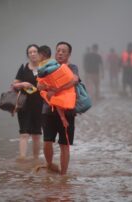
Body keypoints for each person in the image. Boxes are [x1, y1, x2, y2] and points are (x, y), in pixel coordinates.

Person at [38, 41, 79, 175]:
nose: (60, 53)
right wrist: (42, 87)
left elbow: (74, 80)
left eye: (64, 51)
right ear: (55, 52)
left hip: (68, 111)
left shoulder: (72, 67)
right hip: (48, 109)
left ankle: (63, 176)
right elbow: (39, 86)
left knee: (64, 144)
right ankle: (49, 164)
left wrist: (56, 90)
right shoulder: (47, 67)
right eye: (58, 50)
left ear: (69, 54)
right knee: (47, 142)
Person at [11, 44, 43, 161]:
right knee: (24, 133)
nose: (33, 54)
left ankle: (35, 160)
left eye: (35, 52)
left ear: (39, 54)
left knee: (36, 135)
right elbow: (13, 85)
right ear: (28, 55)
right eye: (30, 52)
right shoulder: (23, 68)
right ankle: (22, 159)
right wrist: (22, 84)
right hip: (24, 104)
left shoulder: (44, 68)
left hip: (40, 105)